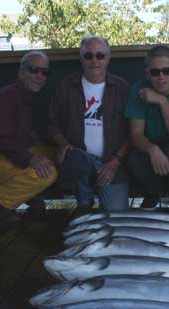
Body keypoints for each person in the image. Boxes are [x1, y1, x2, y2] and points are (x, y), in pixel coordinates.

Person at [49, 36, 130, 211]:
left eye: (100, 55)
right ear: (81, 58)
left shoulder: (122, 88)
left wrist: (115, 162)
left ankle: (93, 196)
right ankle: (83, 200)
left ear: (108, 58)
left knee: (116, 213)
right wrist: (63, 145)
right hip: (79, 162)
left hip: (111, 164)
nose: (94, 61)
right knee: (77, 160)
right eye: (88, 56)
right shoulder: (66, 86)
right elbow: (52, 123)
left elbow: (132, 132)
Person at [0, 50, 58, 218]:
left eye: (44, 72)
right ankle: (3, 200)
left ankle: (27, 194)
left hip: (16, 153)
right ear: (21, 72)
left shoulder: (29, 96)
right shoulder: (7, 96)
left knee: (60, 155)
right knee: (48, 173)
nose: (39, 76)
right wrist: (31, 159)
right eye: (34, 70)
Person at [125, 45, 169, 214]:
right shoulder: (137, 89)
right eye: (155, 72)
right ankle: (152, 192)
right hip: (151, 144)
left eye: (167, 71)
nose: (161, 77)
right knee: (134, 157)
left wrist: (162, 101)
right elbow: (135, 135)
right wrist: (152, 149)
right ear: (148, 73)